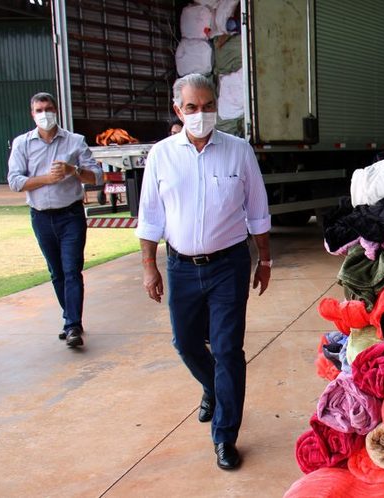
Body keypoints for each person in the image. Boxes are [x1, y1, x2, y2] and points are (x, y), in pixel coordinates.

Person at [135, 73, 271, 471]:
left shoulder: (238, 151)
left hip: (228, 265)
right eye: (191, 107)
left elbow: (258, 211)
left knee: (228, 350)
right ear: (178, 110)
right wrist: (149, 267)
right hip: (180, 266)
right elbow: (150, 216)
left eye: (207, 105)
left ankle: (225, 437)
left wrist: (265, 260)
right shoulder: (162, 154)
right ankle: (212, 386)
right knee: (186, 342)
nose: (200, 114)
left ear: (217, 107)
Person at [7, 92, 103, 348]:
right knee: (57, 272)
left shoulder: (75, 142)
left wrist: (73, 171)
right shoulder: (22, 144)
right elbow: (15, 181)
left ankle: (72, 325)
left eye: (48, 108)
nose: (44, 114)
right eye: (39, 110)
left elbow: (97, 176)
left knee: (72, 270)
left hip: (70, 215)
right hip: (40, 216)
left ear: (56, 110)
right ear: (32, 114)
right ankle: (70, 319)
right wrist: (45, 180)